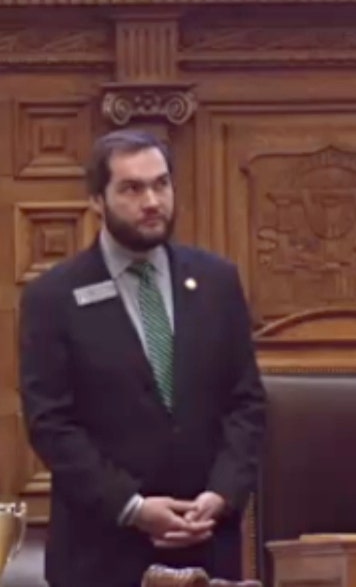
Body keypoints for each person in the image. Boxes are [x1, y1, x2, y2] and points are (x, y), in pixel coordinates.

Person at [18, 129, 266, 587]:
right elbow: (51, 423)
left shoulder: (217, 281)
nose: (152, 201)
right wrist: (132, 508)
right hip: (101, 553)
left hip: (206, 543)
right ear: (97, 199)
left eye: (161, 184)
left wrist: (222, 493)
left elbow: (245, 403)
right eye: (132, 189)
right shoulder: (53, 296)